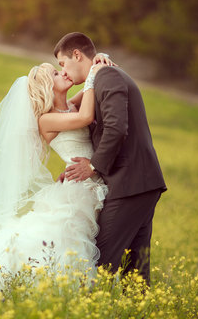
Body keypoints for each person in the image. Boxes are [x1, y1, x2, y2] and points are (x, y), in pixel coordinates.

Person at [0, 55, 114, 287]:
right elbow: (86, 115)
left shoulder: (70, 106)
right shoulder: (47, 120)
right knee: (63, 241)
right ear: (47, 86)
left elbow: (86, 98)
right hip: (80, 187)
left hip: (81, 180)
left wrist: (101, 58)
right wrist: (94, 74)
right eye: (56, 74)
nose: (63, 73)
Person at [53, 32, 166, 285]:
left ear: (77, 55)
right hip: (138, 183)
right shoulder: (99, 78)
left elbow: (116, 128)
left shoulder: (108, 75)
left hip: (130, 183)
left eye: (63, 63)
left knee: (99, 264)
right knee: (134, 272)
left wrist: (92, 166)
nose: (64, 71)